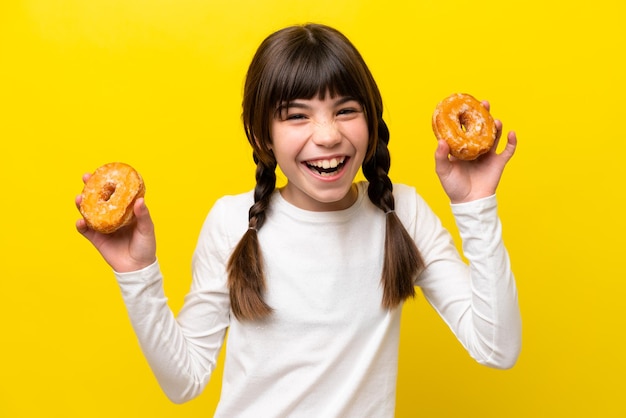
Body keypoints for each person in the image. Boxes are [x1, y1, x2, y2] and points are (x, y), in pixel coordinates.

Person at [76, 23, 521, 417]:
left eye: (346, 110)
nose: (327, 135)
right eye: (296, 116)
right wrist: (137, 276)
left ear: (372, 119)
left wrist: (475, 206)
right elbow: (185, 380)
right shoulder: (232, 220)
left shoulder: (400, 213)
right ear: (261, 135)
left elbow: (497, 347)